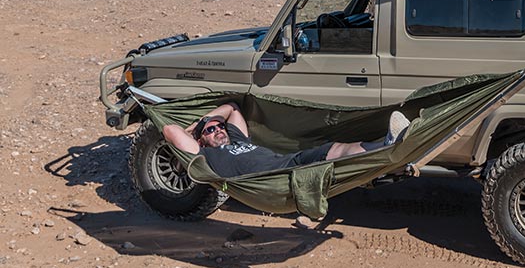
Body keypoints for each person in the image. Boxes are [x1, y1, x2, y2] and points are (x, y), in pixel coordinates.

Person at [162, 102, 410, 178]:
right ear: (201, 142)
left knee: (331, 149)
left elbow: (232, 108)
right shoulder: (206, 154)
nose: (217, 130)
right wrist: (198, 128)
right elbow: (171, 130)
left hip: (287, 161)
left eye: (219, 127)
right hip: (278, 177)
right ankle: (388, 148)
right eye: (211, 132)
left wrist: (208, 122)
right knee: (330, 152)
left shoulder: (235, 137)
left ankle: (388, 148)